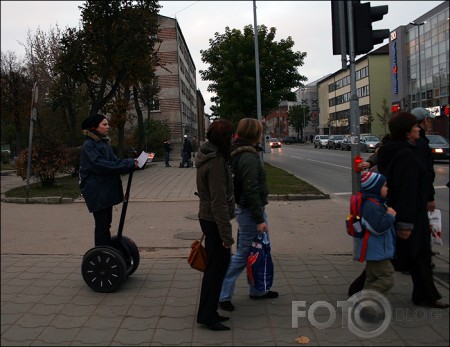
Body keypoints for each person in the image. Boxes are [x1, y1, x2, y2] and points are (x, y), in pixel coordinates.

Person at [377, 111, 449, 309]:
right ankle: (359, 291)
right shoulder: (406, 154)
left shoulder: (392, 149)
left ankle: (425, 294)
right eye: (415, 126)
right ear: (407, 131)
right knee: (399, 254)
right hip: (410, 213)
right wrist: (406, 222)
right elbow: (406, 190)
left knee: (414, 255)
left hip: (403, 210)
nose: (419, 128)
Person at [219, 118, 278, 312]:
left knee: (257, 251)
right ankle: (222, 294)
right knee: (244, 254)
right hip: (251, 212)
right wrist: (259, 219)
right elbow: (251, 189)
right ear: (255, 134)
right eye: (260, 131)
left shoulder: (241, 151)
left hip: (248, 210)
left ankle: (258, 289)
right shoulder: (247, 156)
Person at [195, 119, 235, 331]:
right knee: (215, 270)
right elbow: (218, 202)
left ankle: (209, 311)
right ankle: (207, 315)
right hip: (214, 220)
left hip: (208, 218)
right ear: (225, 139)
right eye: (230, 136)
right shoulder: (216, 163)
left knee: (216, 269)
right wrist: (227, 237)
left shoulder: (208, 156)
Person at [79, 114, 138, 246]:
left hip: (103, 189)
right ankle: (101, 253)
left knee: (106, 223)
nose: (108, 127)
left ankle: (106, 250)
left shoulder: (102, 143)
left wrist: (132, 163)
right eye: (104, 124)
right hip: (96, 190)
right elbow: (101, 165)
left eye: (107, 124)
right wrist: (128, 164)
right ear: (94, 127)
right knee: (102, 224)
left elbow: (114, 162)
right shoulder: (89, 145)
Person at [353, 171, 397, 294]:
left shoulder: (377, 203)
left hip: (376, 250)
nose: (387, 188)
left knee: (372, 278)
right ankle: (365, 300)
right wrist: (390, 216)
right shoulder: (371, 206)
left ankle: (368, 308)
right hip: (377, 251)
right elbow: (377, 228)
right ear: (375, 188)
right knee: (387, 278)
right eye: (384, 186)